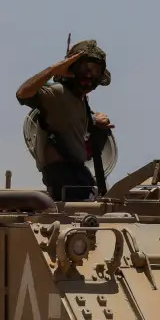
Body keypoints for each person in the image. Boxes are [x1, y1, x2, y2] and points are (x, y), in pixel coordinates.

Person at [15, 39, 114, 202]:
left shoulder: (80, 101)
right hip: (63, 176)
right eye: (84, 68)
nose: (90, 75)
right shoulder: (57, 93)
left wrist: (94, 120)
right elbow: (23, 93)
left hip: (78, 176)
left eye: (96, 70)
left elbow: (70, 122)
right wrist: (53, 69)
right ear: (71, 69)